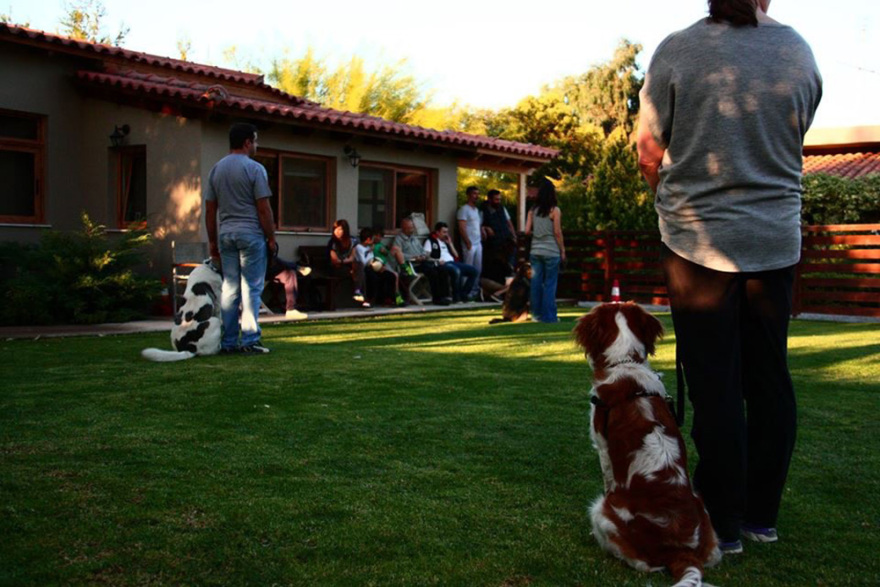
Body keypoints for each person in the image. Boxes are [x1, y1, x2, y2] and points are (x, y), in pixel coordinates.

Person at [636, 0, 822, 554]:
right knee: (769, 379)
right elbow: (796, 135)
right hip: (774, 240)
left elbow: (648, 150)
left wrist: (666, 197)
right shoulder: (797, 51)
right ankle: (761, 516)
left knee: (716, 384)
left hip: (696, 243)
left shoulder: (677, 49)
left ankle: (724, 518)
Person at [204, 122, 275, 354]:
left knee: (230, 289)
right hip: (251, 234)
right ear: (247, 142)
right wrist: (271, 237)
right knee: (251, 289)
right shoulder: (255, 169)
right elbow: (263, 208)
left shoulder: (216, 170)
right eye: (255, 141)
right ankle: (250, 339)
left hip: (226, 234)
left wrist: (213, 241)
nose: (256, 145)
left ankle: (228, 342)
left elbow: (210, 210)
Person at [525, 178, 565, 323]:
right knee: (550, 284)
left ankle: (536, 315)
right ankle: (549, 316)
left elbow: (527, 231)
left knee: (535, 283)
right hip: (551, 251)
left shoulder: (532, 210)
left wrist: (538, 231)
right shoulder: (555, 210)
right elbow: (557, 232)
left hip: (535, 251)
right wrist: (563, 250)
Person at [391, 216, 450, 305]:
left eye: (413, 227)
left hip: (422, 262)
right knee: (432, 271)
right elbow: (399, 254)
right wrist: (414, 257)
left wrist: (423, 256)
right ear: (404, 228)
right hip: (412, 266)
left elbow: (422, 250)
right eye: (410, 228)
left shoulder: (414, 238)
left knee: (442, 269)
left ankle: (445, 296)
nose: (412, 229)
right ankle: (437, 298)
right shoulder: (398, 239)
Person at [424, 221, 479, 303]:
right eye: (444, 232)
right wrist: (437, 260)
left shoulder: (445, 242)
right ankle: (456, 297)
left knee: (474, 271)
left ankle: (463, 295)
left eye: (447, 232)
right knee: (456, 271)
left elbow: (456, 255)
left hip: (452, 262)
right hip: (442, 264)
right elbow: (426, 256)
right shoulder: (430, 241)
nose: (446, 234)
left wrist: (450, 244)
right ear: (437, 232)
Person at [265, 244, 309, 320]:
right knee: (275, 260)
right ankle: (297, 267)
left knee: (290, 273)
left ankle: (291, 309)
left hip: (266, 270)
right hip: (250, 273)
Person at [456, 186, 484, 298]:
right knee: (468, 268)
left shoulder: (476, 210)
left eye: (477, 194)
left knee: (478, 268)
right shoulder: (464, 209)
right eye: (474, 194)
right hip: (469, 244)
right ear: (468, 195)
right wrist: (467, 242)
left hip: (478, 243)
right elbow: (461, 227)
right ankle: (465, 292)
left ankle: (475, 291)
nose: (476, 196)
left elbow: (477, 225)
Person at [482, 189, 517, 268]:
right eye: (496, 199)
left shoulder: (502, 208)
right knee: (496, 264)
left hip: (506, 239)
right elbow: (479, 224)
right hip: (494, 243)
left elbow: (509, 222)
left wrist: (514, 236)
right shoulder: (483, 211)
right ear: (489, 199)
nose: (498, 201)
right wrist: (485, 228)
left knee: (510, 262)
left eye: (499, 199)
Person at [327, 219, 360, 300]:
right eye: (335, 229)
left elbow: (352, 257)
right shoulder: (332, 242)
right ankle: (358, 293)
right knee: (355, 271)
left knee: (360, 267)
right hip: (334, 268)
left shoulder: (352, 241)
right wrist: (345, 261)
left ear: (345, 230)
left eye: (340, 229)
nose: (337, 231)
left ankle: (359, 293)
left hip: (348, 266)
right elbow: (334, 261)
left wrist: (344, 261)